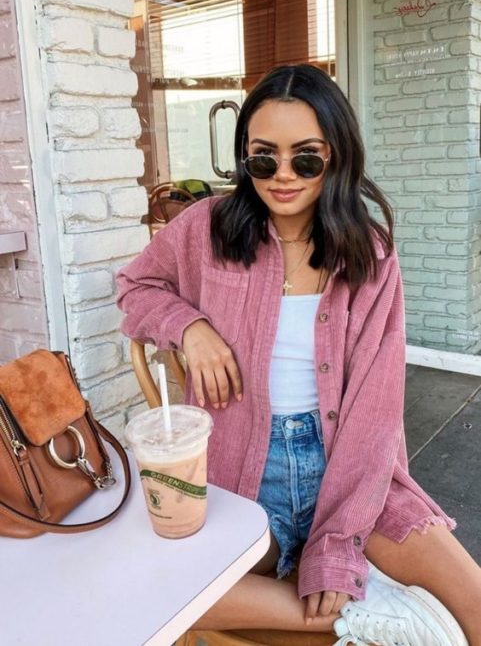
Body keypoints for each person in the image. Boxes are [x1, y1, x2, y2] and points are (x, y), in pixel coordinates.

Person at [117, 64, 481, 645]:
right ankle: (364, 619)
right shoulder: (205, 228)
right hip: (239, 478)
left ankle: (356, 609)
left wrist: (336, 546)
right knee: (157, 593)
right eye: (264, 158)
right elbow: (135, 288)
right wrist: (189, 327)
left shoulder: (370, 256)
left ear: (336, 156)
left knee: (475, 608)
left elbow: (375, 412)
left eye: (305, 158)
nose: (283, 176)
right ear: (244, 158)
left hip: (352, 473)